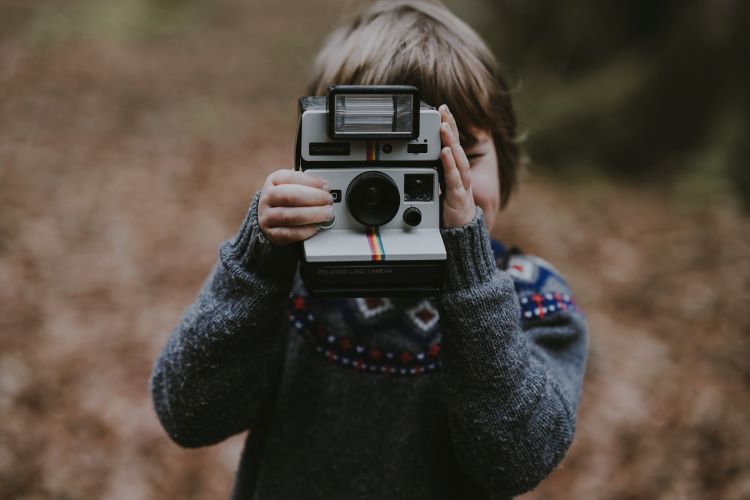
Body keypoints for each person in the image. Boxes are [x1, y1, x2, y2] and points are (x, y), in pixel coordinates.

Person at [150, 1, 588, 498]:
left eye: (456, 156)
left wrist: (469, 276)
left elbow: (516, 461)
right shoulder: (290, 282)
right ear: (313, 160)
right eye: (380, 162)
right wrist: (259, 262)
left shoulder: (535, 299)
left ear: (505, 159)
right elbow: (189, 413)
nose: (434, 185)